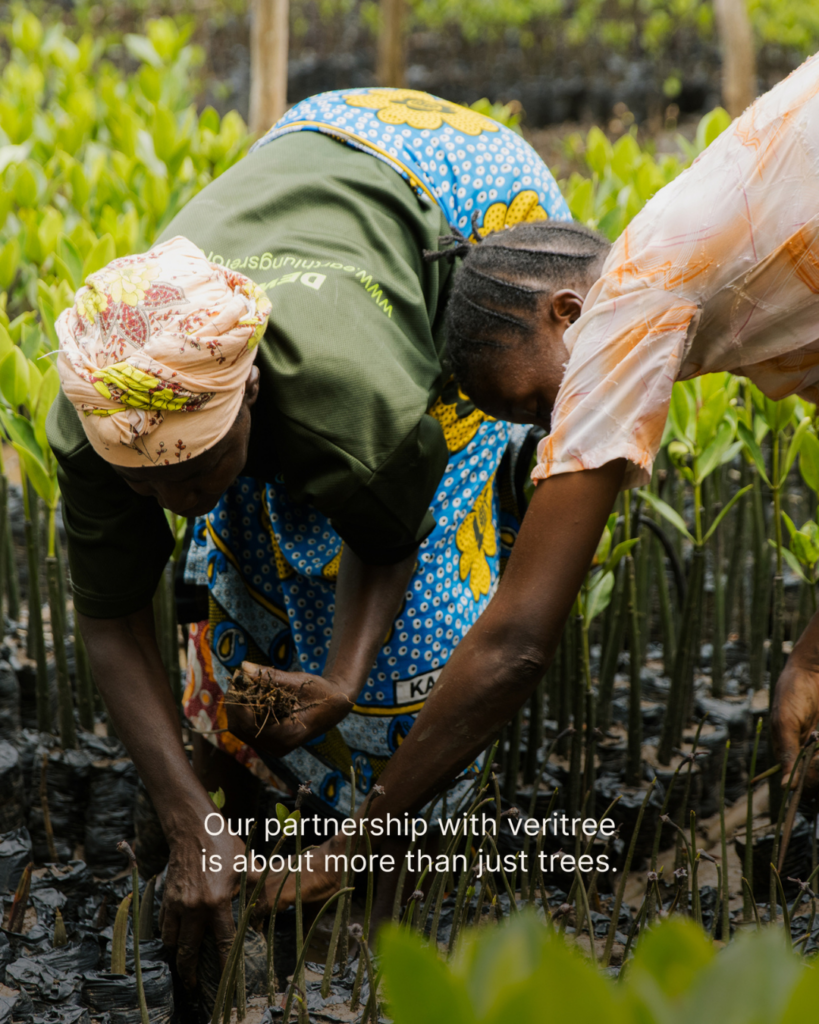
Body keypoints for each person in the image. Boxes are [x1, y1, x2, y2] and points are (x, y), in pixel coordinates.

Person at [47, 87, 577, 985]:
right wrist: (188, 818)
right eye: (147, 478)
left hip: (462, 196)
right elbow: (110, 617)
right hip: (314, 152)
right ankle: (242, 822)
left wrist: (341, 677)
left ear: (249, 391)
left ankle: (372, 908)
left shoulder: (357, 402)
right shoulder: (100, 404)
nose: (171, 498)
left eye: (191, 466)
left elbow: (388, 538)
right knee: (242, 552)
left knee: (411, 650)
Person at [266, 51, 819, 907]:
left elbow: (517, 643)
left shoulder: (630, 303)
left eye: (533, 408)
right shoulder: (713, 278)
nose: (550, 441)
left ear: (563, 316)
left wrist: (352, 843)